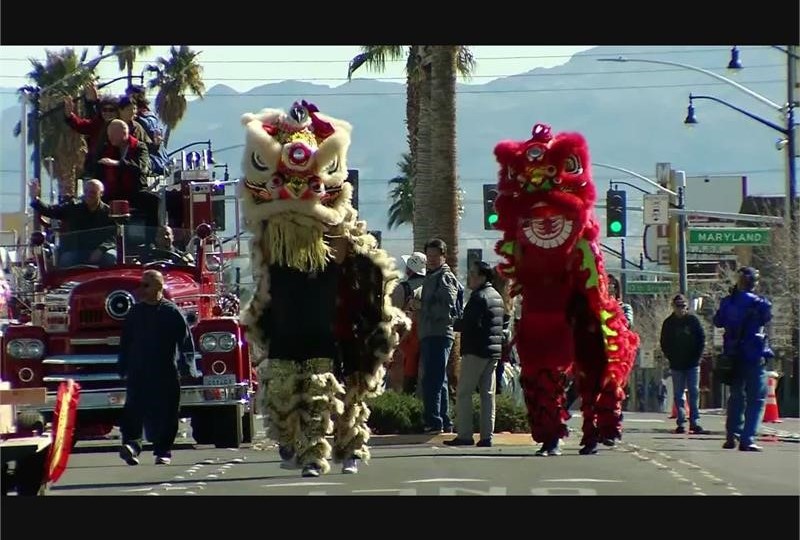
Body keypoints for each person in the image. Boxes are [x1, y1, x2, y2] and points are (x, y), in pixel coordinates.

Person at [117, 270, 200, 465]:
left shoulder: (171, 312)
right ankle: (132, 446)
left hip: (165, 371)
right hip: (138, 370)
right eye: (141, 285)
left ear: (159, 287)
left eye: (147, 285)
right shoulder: (135, 313)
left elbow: (185, 342)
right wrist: (123, 365)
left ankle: (163, 451)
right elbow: (126, 342)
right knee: (133, 409)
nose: (142, 289)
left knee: (167, 412)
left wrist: (188, 368)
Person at [444, 261, 505, 448]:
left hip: (475, 351)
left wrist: (454, 322)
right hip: (492, 352)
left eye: (473, 274)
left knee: (464, 393)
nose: (469, 277)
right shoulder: (496, 296)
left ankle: (464, 434)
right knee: (488, 395)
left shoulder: (478, 298)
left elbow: (471, 324)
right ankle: (487, 436)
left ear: (483, 276)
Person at [713, 267, 773, 452]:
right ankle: (748, 438)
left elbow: (718, 321)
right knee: (756, 398)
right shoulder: (760, 303)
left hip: (733, 354)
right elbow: (766, 318)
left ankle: (732, 435)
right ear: (754, 282)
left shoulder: (728, 302)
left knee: (736, 396)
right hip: (754, 355)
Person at [418, 238, 460, 434]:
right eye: (429, 256)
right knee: (438, 378)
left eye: (436, 256)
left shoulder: (444, 277)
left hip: (438, 333)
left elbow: (447, 307)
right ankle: (443, 419)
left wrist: (423, 308)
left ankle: (434, 420)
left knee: (433, 379)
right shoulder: (433, 275)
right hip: (432, 333)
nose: (432, 259)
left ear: (444, 256)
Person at [29, 178, 116, 268]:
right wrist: (34, 198)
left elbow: (114, 236)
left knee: (111, 257)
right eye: (86, 191)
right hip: (78, 250)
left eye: (93, 192)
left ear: (101, 193)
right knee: (67, 259)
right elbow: (51, 211)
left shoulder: (109, 212)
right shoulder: (73, 207)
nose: (89, 194)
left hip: (101, 250)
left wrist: (101, 249)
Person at [659, 294, 707, 434]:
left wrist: (697, 357)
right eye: (677, 306)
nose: (680, 309)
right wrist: (671, 357)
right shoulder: (668, 323)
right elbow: (664, 342)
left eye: (683, 306)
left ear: (686, 307)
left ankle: (694, 421)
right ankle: (681, 421)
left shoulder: (693, 321)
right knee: (678, 394)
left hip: (692, 363)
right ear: (673, 307)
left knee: (694, 392)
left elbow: (701, 339)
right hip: (676, 364)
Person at [389, 251, 427, 394]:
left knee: (401, 380)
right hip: (426, 337)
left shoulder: (402, 288)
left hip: (405, 339)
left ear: (409, 269)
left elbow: (393, 314)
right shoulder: (431, 286)